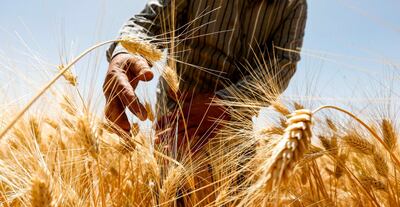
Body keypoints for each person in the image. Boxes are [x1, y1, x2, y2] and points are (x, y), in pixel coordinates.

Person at [103, 0, 307, 151]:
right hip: (176, 117)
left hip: (235, 124)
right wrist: (126, 51)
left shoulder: (293, 4)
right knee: (172, 202)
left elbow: (282, 64)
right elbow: (152, 20)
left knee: (233, 205)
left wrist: (226, 104)